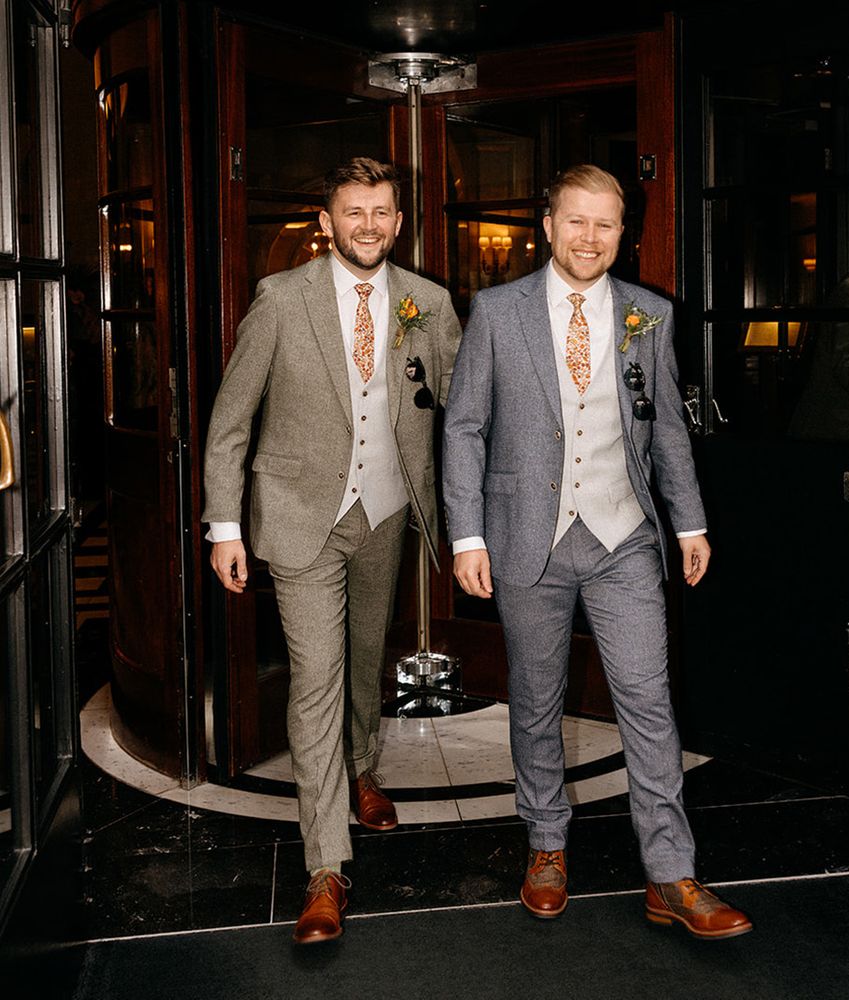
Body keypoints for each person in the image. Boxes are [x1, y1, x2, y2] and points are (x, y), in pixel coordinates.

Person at [442, 164, 752, 939]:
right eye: (575, 221)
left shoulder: (648, 313)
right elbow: (464, 427)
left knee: (648, 700)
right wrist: (467, 534)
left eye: (605, 224)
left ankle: (670, 872)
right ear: (547, 226)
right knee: (538, 702)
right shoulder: (496, 311)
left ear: (624, 233)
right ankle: (546, 843)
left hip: (624, 540)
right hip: (525, 540)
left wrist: (689, 524)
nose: (589, 238)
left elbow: (668, 429)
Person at [202, 157, 461, 944]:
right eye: (354, 212)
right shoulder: (282, 300)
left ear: (399, 220)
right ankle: (325, 868)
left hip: (385, 513)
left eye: (383, 212)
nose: (370, 225)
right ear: (326, 221)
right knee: (315, 675)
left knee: (363, 654)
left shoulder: (430, 303)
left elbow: (464, 405)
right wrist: (225, 526)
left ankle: (361, 766)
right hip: (297, 514)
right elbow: (231, 420)